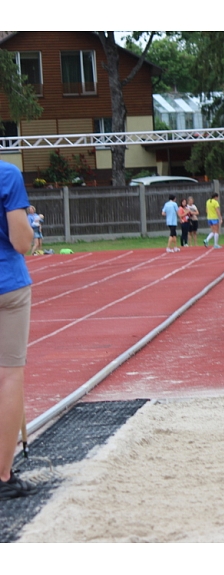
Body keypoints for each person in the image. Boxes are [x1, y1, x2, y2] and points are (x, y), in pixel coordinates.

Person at [0, 160, 37, 500]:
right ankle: (2, 473)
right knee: (9, 376)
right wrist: (32, 237)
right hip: (6, 284)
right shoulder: (6, 174)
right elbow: (22, 241)